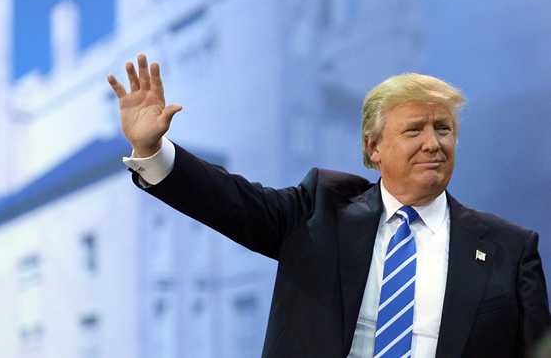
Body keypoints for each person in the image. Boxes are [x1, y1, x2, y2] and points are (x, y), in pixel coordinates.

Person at [107, 54, 551, 358]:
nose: (433, 144)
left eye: (444, 128)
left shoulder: (510, 250)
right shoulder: (320, 211)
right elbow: (229, 201)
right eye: (415, 130)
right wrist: (154, 149)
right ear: (373, 147)